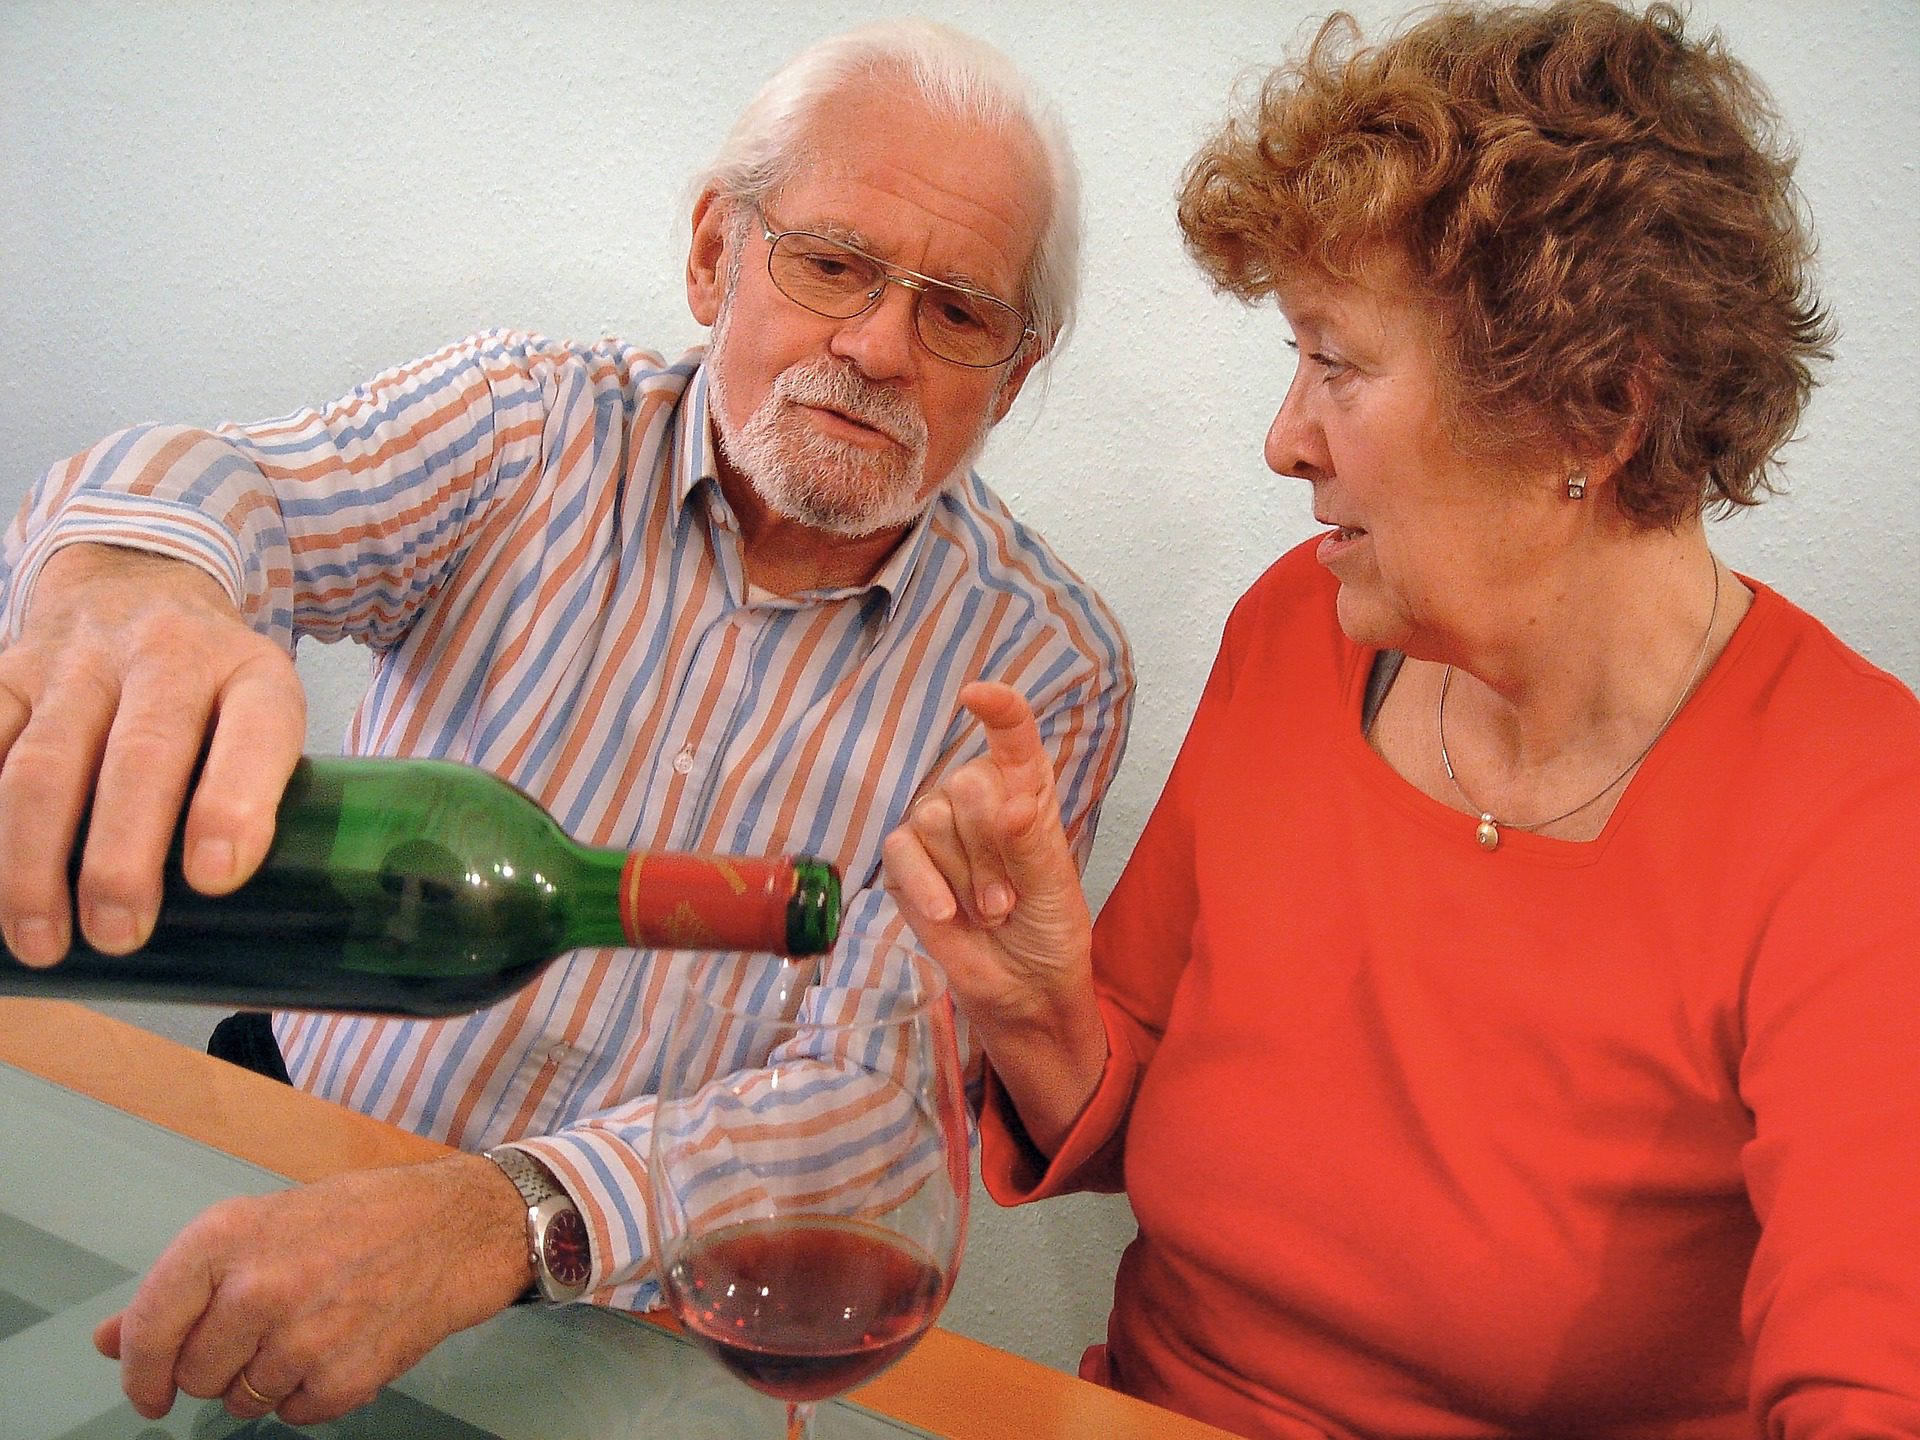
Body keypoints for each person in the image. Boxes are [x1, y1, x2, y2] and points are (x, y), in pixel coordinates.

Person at [0, 20, 1133, 1427]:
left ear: (1013, 373)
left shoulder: (1048, 666)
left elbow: (868, 1103)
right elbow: (247, 487)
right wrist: (134, 575)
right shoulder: (527, 425)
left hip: (634, 1329)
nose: (880, 346)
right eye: (832, 262)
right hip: (281, 1154)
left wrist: (503, 1219)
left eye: (959, 312)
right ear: (718, 253)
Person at [884, 2, 1920, 1436]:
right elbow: (1153, 1120)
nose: (1284, 437)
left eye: (1339, 362)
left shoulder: (1858, 816)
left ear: (1596, 411)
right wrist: (1032, 1015)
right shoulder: (1295, 634)